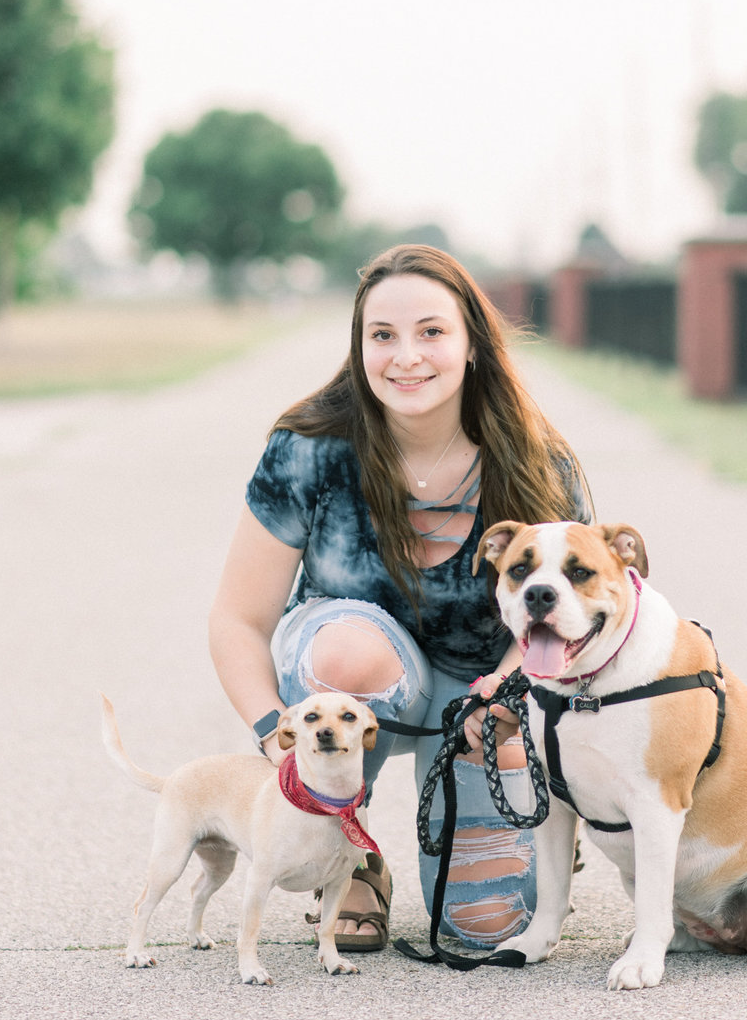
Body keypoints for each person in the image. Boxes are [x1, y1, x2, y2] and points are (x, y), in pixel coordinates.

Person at [208, 243, 590, 951]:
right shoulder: (309, 449)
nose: (405, 355)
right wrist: (273, 734)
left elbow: (576, 616)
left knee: (485, 932)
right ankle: (349, 853)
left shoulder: (538, 463)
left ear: (472, 343)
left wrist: (505, 695)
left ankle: (532, 830)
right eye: (382, 335)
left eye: (431, 331)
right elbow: (238, 617)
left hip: (477, 691)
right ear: (359, 347)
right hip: (350, 666)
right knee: (349, 652)